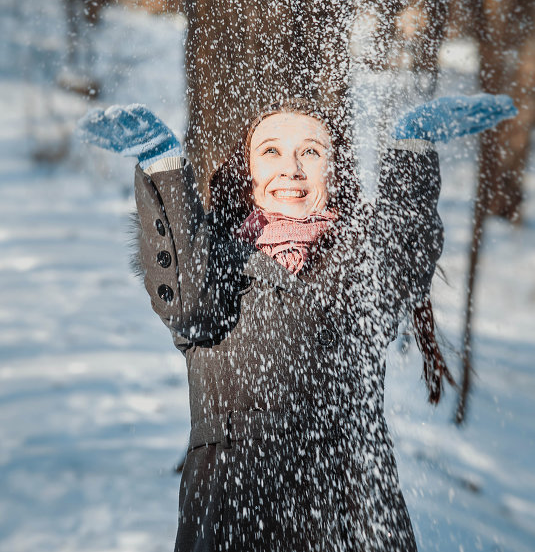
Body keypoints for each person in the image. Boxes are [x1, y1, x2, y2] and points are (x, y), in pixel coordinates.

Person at [78, 92, 516, 552]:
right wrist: (162, 164)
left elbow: (402, 253)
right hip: (236, 523)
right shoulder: (215, 275)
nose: (292, 168)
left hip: (356, 526)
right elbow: (184, 290)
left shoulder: (358, 268)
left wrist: (412, 149)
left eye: (311, 151)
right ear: (247, 175)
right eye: (271, 151)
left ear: (333, 171)